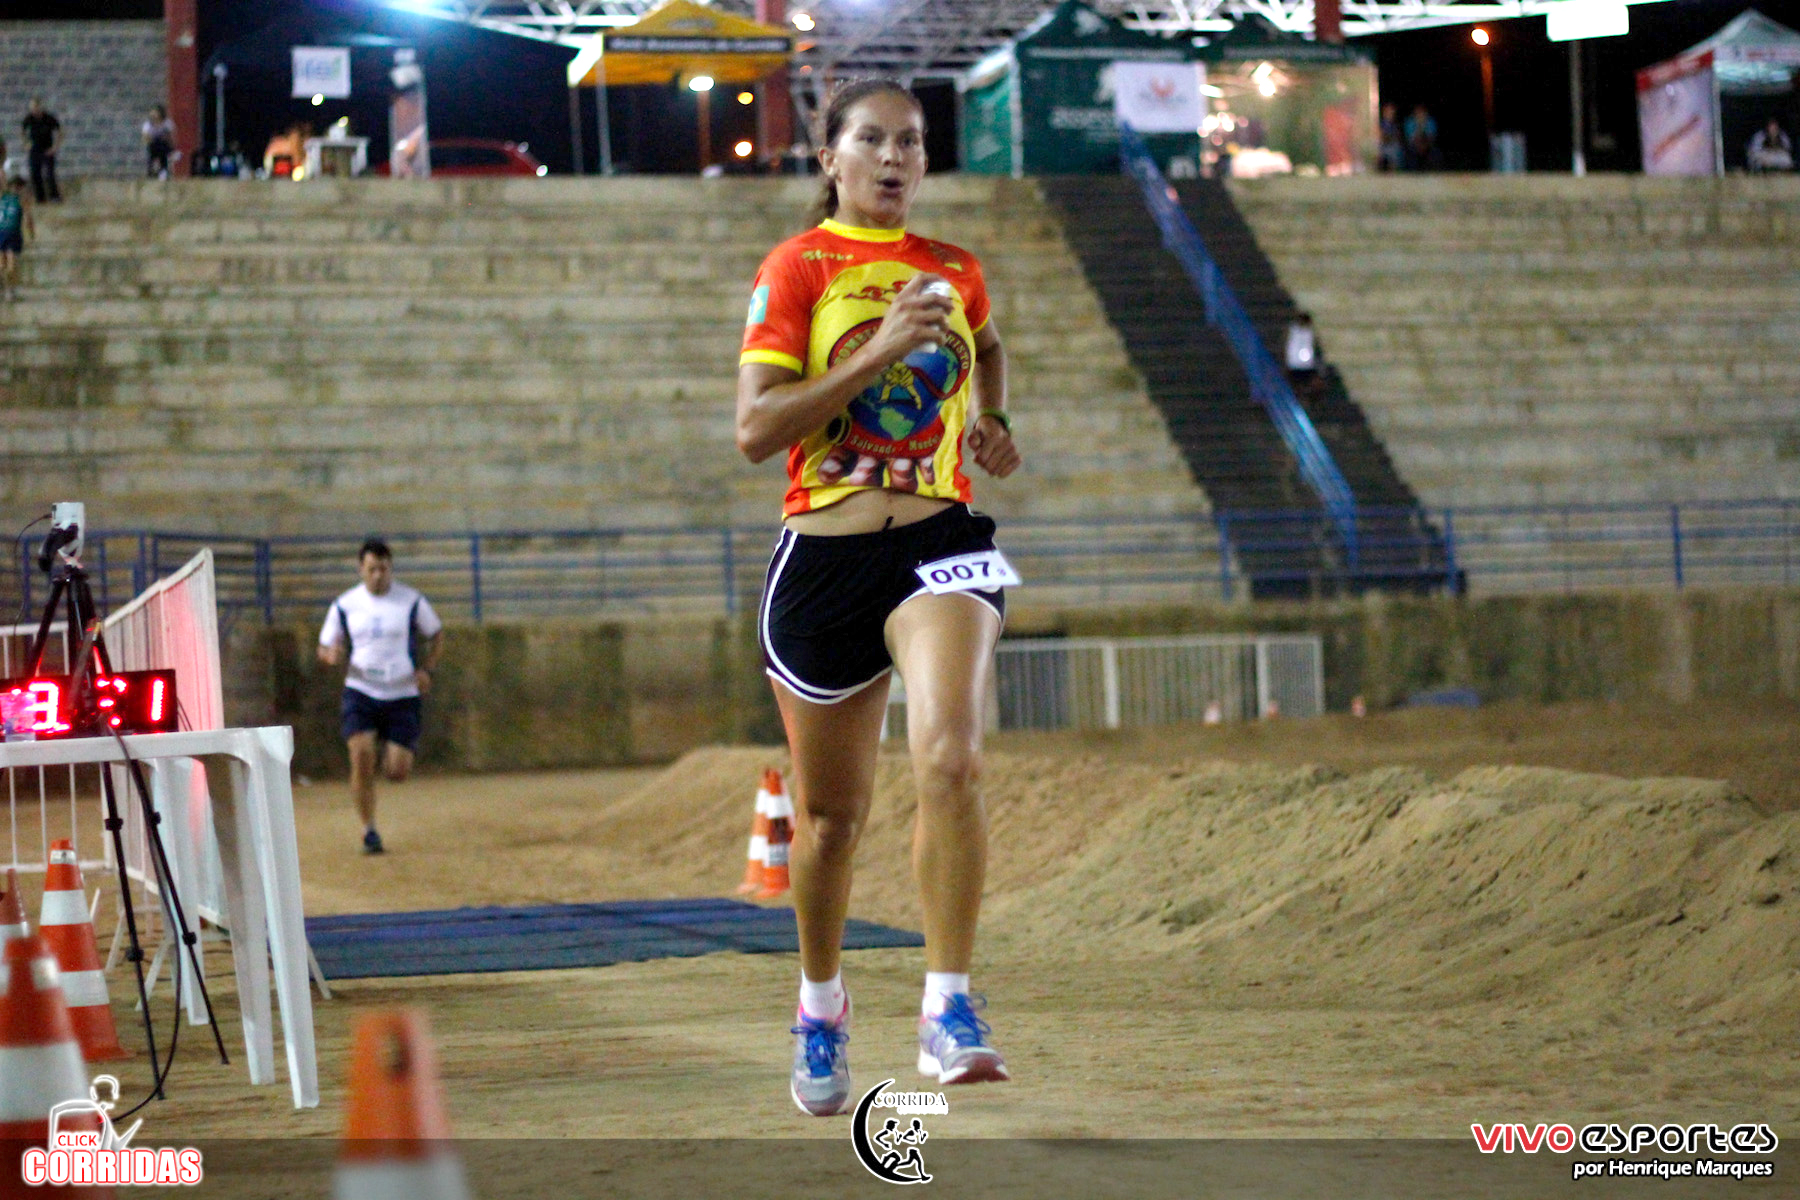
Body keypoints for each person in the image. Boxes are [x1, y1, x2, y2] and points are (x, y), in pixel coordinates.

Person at [737, 77, 1024, 1118]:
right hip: (823, 559)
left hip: (940, 545)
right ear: (831, 157)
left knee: (951, 757)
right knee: (829, 822)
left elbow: (987, 345)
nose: (896, 157)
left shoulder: (955, 269)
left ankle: (948, 1004)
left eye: (911, 141)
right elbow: (755, 430)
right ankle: (820, 1006)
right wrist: (880, 354)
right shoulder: (798, 267)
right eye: (873, 140)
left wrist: (992, 417)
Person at [316, 539, 444, 855]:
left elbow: (437, 634)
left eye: (384, 569)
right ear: (361, 569)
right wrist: (330, 655)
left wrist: (427, 669)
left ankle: (388, 756)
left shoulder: (410, 600)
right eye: (372, 569)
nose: (378, 575)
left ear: (391, 568)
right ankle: (369, 829)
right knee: (361, 756)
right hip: (361, 692)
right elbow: (325, 646)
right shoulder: (345, 605)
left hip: (402, 693)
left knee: (397, 772)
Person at [21, 97, 61, 203]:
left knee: (50, 174)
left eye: (36, 107)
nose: (34, 109)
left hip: (47, 149)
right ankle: (40, 198)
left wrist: (55, 147)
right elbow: (22, 132)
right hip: (35, 150)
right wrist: (26, 144)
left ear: (40, 107)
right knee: (35, 173)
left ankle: (54, 197)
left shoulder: (49, 118)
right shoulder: (29, 119)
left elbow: (60, 131)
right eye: (32, 107)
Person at [0, 176, 32, 303]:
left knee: (5, 265)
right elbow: (28, 218)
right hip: (9, 232)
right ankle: (9, 290)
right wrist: (31, 233)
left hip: (7, 232)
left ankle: (8, 289)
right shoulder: (19, 200)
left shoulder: (5, 198)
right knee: (8, 265)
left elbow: (28, 218)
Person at [142, 105, 176, 179]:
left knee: (163, 154)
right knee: (152, 155)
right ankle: (151, 172)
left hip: (163, 145)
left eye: (155, 112)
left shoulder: (166, 123)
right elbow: (145, 137)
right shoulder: (148, 124)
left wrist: (172, 147)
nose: (153, 114)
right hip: (153, 145)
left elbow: (169, 137)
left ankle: (163, 171)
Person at [1403, 104, 1440, 171]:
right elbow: (1410, 139)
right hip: (1414, 145)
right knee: (1410, 152)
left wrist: (1424, 145)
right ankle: (1412, 171)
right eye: (1418, 113)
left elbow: (1431, 138)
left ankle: (1433, 170)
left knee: (1435, 152)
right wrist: (1419, 127)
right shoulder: (1410, 122)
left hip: (1427, 145)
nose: (1420, 115)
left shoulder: (1430, 121)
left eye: (1422, 112)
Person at [1378, 102, 1404, 172]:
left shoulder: (1395, 125)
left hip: (1392, 146)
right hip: (1383, 146)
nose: (1390, 113)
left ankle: (1393, 171)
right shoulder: (1380, 123)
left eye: (1391, 112)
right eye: (1388, 111)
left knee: (1396, 149)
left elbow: (1397, 137)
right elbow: (1381, 136)